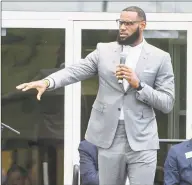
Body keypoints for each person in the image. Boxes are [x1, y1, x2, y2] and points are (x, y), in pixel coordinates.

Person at [16, 6, 175, 185]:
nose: (123, 27)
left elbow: (167, 102)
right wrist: (47, 82)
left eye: (129, 23)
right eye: (121, 22)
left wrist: (139, 85)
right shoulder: (104, 51)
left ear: (142, 25)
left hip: (143, 138)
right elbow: (75, 71)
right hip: (109, 136)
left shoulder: (160, 57)